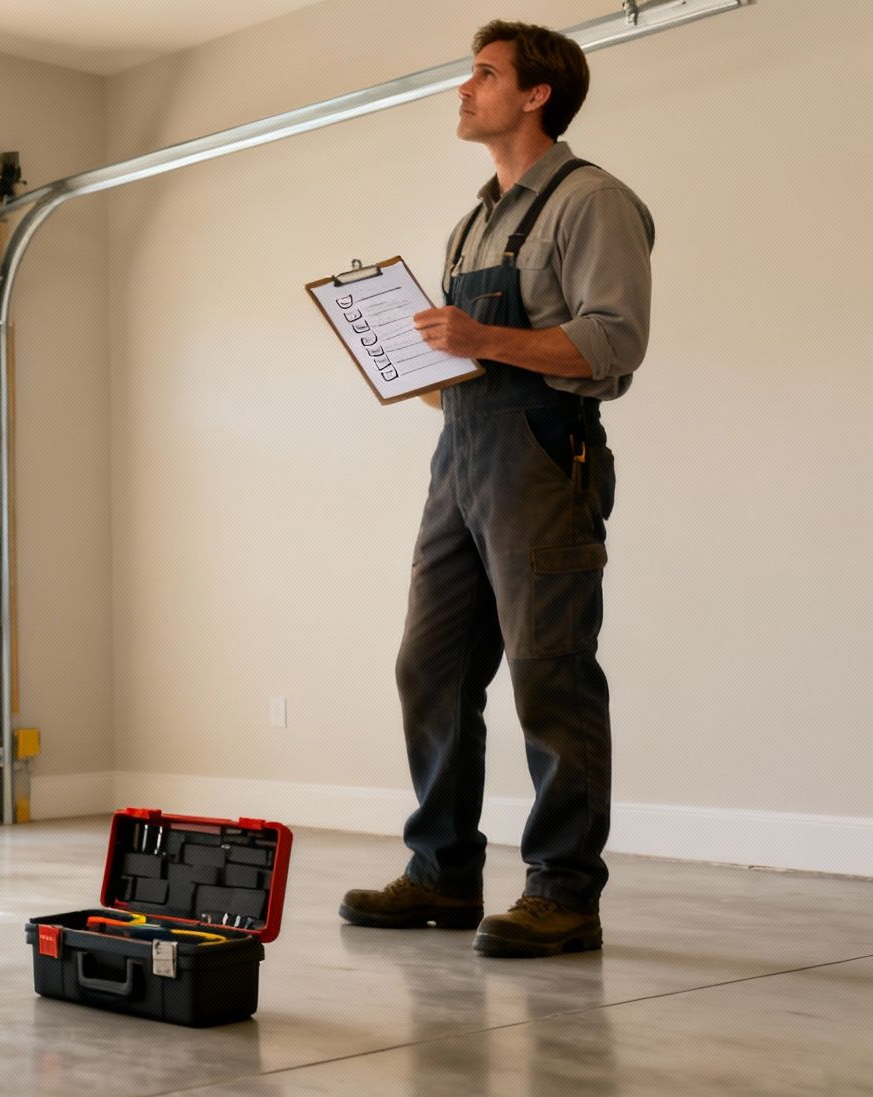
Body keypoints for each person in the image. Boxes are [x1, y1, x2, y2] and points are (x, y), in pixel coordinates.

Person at [338, 20, 654, 958]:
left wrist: (482, 343)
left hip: (543, 456)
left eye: (483, 74)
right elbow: (468, 367)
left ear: (536, 94)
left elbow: (614, 345)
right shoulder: (474, 219)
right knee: (428, 668)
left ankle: (564, 891)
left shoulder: (592, 201)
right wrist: (403, 359)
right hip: (461, 457)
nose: (463, 89)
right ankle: (442, 875)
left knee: (549, 673)